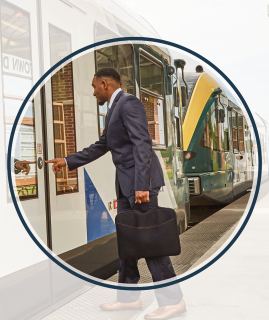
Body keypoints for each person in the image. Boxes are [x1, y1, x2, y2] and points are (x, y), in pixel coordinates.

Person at [46, 68, 185, 319]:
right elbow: (102, 146)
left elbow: (142, 142)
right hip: (126, 184)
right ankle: (129, 297)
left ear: (104, 83)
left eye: (94, 87)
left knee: (151, 241)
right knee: (128, 241)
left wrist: (141, 184)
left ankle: (173, 300)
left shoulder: (128, 103)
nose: (93, 92)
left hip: (138, 184)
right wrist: (67, 161)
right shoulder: (113, 109)